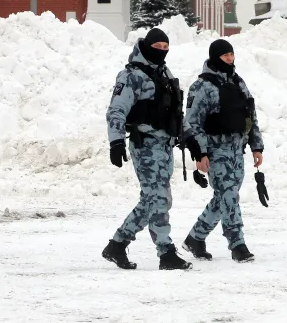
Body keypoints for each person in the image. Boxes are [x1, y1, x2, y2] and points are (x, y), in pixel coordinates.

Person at [102, 27, 192, 271]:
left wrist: (189, 138)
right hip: (145, 144)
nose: (161, 52)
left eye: (165, 48)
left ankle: (117, 244)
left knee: (153, 199)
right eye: (157, 47)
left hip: (165, 145)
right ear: (146, 46)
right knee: (159, 198)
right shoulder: (131, 75)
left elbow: (173, 110)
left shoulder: (164, 73)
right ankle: (166, 253)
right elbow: (116, 110)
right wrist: (116, 141)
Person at [181, 39, 264, 263]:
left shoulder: (239, 83)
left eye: (231, 54)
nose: (229, 58)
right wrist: (200, 153)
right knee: (229, 196)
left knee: (226, 196)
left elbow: (250, 116)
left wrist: (256, 145)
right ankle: (237, 243)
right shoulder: (202, 86)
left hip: (237, 149)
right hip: (216, 149)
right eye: (225, 55)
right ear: (215, 57)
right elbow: (193, 123)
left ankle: (195, 238)